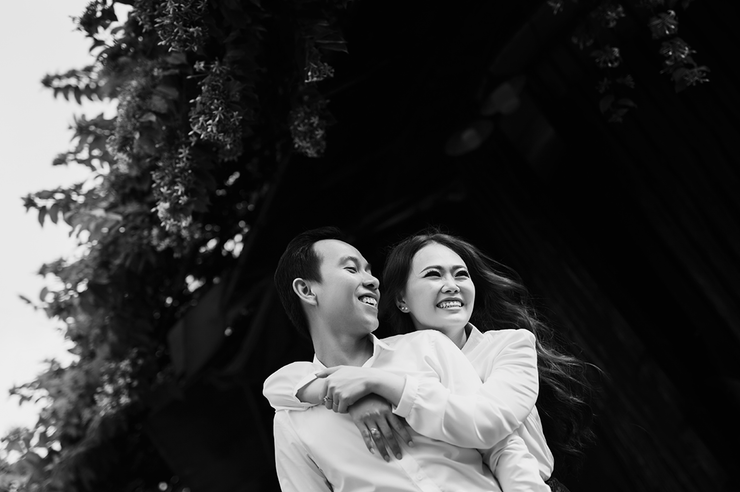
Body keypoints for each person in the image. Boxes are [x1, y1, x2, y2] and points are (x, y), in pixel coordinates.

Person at [264, 228, 597, 491]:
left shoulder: (430, 347)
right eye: (351, 269)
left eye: (460, 275)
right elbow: (277, 387)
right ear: (307, 290)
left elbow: (499, 442)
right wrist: (343, 393)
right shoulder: (293, 417)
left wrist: (379, 384)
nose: (372, 280)